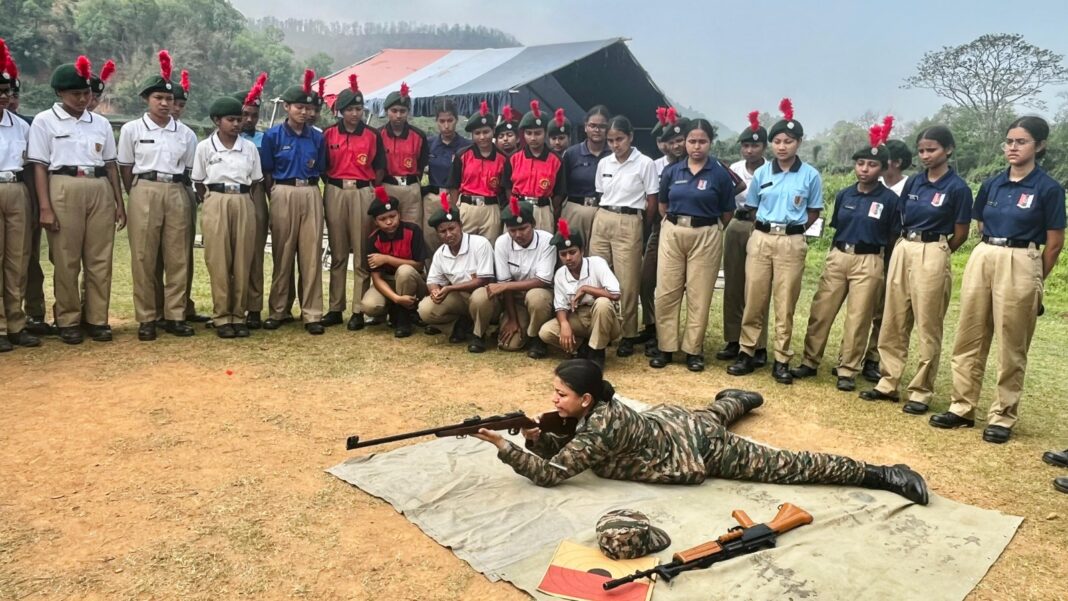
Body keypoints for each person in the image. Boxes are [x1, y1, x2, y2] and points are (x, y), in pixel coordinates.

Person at [472, 359, 929, 507]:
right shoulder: (595, 412)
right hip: (674, 422)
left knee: (789, 466)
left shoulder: (601, 425)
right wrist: (533, 436)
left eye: (561, 395)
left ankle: (881, 473)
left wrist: (501, 444)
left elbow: (551, 475)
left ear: (587, 400)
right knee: (713, 412)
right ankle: (741, 399)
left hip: (697, 448)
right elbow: (561, 447)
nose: (555, 401)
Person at [930, 117, 1065, 442]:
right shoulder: (992, 184)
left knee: (1011, 343)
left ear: (1040, 146)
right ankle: (962, 407)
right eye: (1009, 141)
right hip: (986, 253)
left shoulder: (1048, 188)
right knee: (969, 335)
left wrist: (1035, 279)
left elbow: (1055, 242)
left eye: (1022, 142)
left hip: (1022, 259)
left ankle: (1002, 416)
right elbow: (979, 225)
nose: (1013, 148)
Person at [860, 126, 972, 411]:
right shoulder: (914, 183)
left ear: (948, 150)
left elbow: (961, 232)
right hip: (904, 246)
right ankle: (888, 382)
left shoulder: (957, 188)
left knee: (927, 323)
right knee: (893, 318)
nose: (925, 155)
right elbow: (902, 216)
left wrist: (938, 252)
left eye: (931, 149)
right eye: (921, 150)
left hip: (934, 250)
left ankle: (921, 391)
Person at [791, 120, 900, 391]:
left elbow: (891, 237)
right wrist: (831, 258)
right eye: (860, 163)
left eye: (872, 165)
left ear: (883, 168)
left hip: (870, 259)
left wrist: (883, 268)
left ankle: (847, 369)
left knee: (859, 317)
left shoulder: (889, 200)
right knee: (821, 310)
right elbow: (837, 228)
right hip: (839, 255)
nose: (865, 169)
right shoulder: (844, 195)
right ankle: (809, 361)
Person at [27, 56, 126, 345]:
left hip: (98, 187)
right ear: (60, 93)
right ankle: (67, 319)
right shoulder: (45, 121)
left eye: (87, 93)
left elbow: (110, 165)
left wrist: (119, 203)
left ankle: (96, 318)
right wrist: (45, 206)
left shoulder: (101, 123)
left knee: (99, 258)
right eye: (76, 94)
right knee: (66, 258)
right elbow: (40, 167)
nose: (83, 99)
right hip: (63, 185)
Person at [728, 99, 822, 384]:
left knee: (785, 302)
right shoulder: (762, 173)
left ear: (799, 143)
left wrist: (793, 230)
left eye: (789, 141)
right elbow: (754, 205)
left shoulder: (810, 175)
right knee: (754, 297)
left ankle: (781, 358)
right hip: (761, 238)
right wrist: (766, 228)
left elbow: (814, 210)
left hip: (791, 241)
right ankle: (747, 351)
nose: (783, 147)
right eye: (778, 141)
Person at [117, 52, 198, 341]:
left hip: (176, 189)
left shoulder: (186, 134)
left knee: (178, 256)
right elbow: (125, 166)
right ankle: (147, 317)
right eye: (158, 98)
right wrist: (134, 193)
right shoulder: (132, 129)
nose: (164, 104)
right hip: (144, 189)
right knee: (144, 256)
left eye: (169, 99)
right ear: (146, 99)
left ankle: (175, 315)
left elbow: (188, 168)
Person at [650, 119, 735, 372]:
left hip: (706, 234)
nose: (696, 147)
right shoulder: (672, 172)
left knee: (699, 294)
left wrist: (711, 227)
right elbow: (663, 205)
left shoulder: (718, 173)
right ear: (684, 143)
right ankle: (666, 347)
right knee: (666, 292)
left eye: (702, 141)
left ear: (710, 143)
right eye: (692, 141)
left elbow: (728, 211)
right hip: (674, 231)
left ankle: (692, 350)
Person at [259, 69, 327, 335]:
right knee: (282, 253)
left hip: (310, 191)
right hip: (282, 191)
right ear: (286, 107)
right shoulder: (273, 136)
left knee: (311, 257)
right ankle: (279, 309)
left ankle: (311, 313)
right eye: (298, 107)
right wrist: (273, 195)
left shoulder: (317, 137)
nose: (303, 112)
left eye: (307, 108)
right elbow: (266, 171)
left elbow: (321, 168)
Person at [191, 96, 263, 338]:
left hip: (243, 199)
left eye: (239, 119)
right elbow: (199, 181)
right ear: (216, 121)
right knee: (219, 260)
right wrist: (212, 201)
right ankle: (222, 317)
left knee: (243, 259)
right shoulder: (204, 147)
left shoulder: (249, 147)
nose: (236, 124)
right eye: (230, 120)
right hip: (216, 199)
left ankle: (238, 315)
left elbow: (255, 181)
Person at [587, 115, 658, 358]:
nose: (615, 144)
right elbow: (600, 194)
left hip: (630, 219)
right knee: (597, 274)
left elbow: (651, 201)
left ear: (630, 137)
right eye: (611, 140)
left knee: (627, 281)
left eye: (620, 139)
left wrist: (640, 225)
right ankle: (599, 329)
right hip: (604, 216)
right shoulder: (605, 163)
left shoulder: (645, 163)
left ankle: (628, 334)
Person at [321, 74, 386, 331]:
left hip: (361, 191)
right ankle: (335, 307)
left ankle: (359, 309)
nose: (355, 114)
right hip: (335, 189)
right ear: (340, 111)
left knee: (360, 253)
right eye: (350, 109)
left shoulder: (371, 135)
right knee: (337, 251)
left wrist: (367, 188)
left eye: (359, 109)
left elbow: (379, 167)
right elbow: (324, 166)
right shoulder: (328, 134)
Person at [468, 198, 555, 354]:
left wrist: (506, 286)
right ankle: (479, 334)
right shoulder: (502, 242)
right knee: (481, 296)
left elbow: (542, 281)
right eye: (512, 230)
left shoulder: (547, 241)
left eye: (523, 228)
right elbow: (504, 283)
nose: (518, 234)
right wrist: (512, 320)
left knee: (537, 297)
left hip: (539, 295)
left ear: (533, 224)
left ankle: (537, 339)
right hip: (513, 299)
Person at [719, 111, 769, 365]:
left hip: (761, 226)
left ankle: (758, 344)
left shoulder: (772, 171)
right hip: (737, 225)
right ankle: (733, 339)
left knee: (758, 287)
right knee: (734, 283)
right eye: (745, 145)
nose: (749, 150)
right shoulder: (734, 170)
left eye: (755, 145)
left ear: (764, 147)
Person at [538, 219, 622, 370]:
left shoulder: (597, 263)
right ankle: (583, 348)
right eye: (563, 254)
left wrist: (586, 288)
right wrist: (564, 324)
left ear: (582, 251)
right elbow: (560, 307)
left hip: (604, 318)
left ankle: (597, 352)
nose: (568, 258)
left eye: (572, 252)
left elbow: (615, 294)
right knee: (546, 332)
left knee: (602, 303)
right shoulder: (560, 274)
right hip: (578, 317)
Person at [159, 68, 209, 325]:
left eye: (180, 104)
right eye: (172, 102)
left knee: (181, 253)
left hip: (182, 190)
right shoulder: (140, 129)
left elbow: (193, 171)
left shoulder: (188, 134)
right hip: (152, 191)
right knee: (153, 255)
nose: (176, 108)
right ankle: (156, 308)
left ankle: (181, 307)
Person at [0, 41, 39, 351]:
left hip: (16, 189)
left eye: (6, 91)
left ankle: (16, 323)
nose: (3, 96)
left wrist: (37, 204)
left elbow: (29, 166)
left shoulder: (20, 126)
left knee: (18, 259)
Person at [417, 194, 495, 344]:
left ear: (461, 226)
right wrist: (434, 291)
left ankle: (478, 335)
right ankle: (458, 326)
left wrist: (449, 289)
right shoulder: (441, 253)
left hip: (486, 298)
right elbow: (432, 280)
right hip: (460, 298)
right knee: (425, 309)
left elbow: (483, 280)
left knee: (480, 296)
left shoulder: (480, 244)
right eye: (442, 231)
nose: (448, 234)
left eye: (452, 228)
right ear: (438, 234)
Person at [361, 186, 427, 338]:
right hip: (387, 281)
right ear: (376, 222)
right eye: (383, 219)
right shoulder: (373, 239)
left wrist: (386, 259)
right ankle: (394, 307)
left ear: (399, 215)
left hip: (413, 280)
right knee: (370, 306)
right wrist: (396, 298)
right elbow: (376, 279)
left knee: (404, 271)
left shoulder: (413, 231)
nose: (389, 222)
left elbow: (419, 265)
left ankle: (404, 319)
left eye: (392, 216)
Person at [234, 73, 269, 329]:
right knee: (229, 254)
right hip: (227, 195)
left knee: (255, 254)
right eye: (244, 114)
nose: (248, 120)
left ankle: (254, 307)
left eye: (253, 115)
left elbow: (267, 175)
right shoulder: (220, 139)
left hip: (255, 193)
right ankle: (231, 306)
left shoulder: (263, 140)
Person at [448, 101, 506, 244]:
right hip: (467, 208)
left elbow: (505, 189)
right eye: (477, 133)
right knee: (463, 246)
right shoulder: (462, 155)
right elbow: (454, 186)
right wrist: (454, 210)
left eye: (486, 132)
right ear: (472, 135)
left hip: (491, 209)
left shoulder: (503, 158)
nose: (482, 137)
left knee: (490, 248)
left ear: (493, 131)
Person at [503, 100, 565, 232]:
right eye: (529, 133)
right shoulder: (513, 158)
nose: (533, 138)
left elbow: (559, 192)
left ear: (546, 133)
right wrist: (514, 205)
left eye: (537, 133)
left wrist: (548, 208)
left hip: (543, 210)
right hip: (518, 208)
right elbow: (508, 187)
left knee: (543, 249)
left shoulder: (556, 160)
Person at [422, 99, 470, 256]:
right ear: (436, 121)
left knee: (457, 239)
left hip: (456, 197)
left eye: (450, 120)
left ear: (457, 119)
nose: (446, 125)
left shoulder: (466, 146)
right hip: (433, 197)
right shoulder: (429, 144)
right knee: (431, 240)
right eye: (442, 121)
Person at [560, 105, 612, 251]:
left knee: (598, 258)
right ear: (585, 127)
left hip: (603, 212)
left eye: (602, 126)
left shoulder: (614, 155)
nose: (597, 130)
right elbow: (562, 188)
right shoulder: (572, 154)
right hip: (575, 211)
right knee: (572, 253)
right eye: (592, 126)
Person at [380, 82, 428, 228]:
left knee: (413, 229)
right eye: (394, 111)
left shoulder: (419, 136)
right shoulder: (377, 135)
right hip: (387, 186)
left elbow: (421, 164)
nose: (398, 115)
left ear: (408, 112)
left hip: (411, 189)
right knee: (387, 228)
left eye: (403, 111)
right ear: (387, 111)